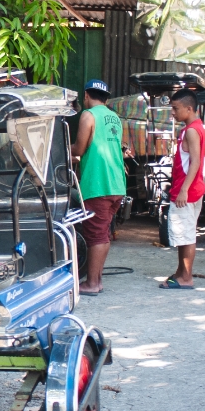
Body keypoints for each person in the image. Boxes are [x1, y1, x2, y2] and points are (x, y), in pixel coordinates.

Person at [70, 79, 127, 296]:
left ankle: (92, 283)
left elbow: (79, 148)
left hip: (98, 183)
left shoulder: (88, 115)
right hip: (116, 184)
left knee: (96, 235)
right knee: (103, 233)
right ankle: (97, 280)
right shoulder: (114, 117)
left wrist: (56, 149)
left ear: (86, 95)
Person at [159, 89, 205, 289]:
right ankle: (181, 272)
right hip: (189, 189)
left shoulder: (192, 130)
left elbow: (195, 162)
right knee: (183, 233)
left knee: (186, 235)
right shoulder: (194, 128)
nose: (173, 112)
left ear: (189, 108)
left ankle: (186, 277)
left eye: (175, 108)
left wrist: (184, 190)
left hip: (186, 191)